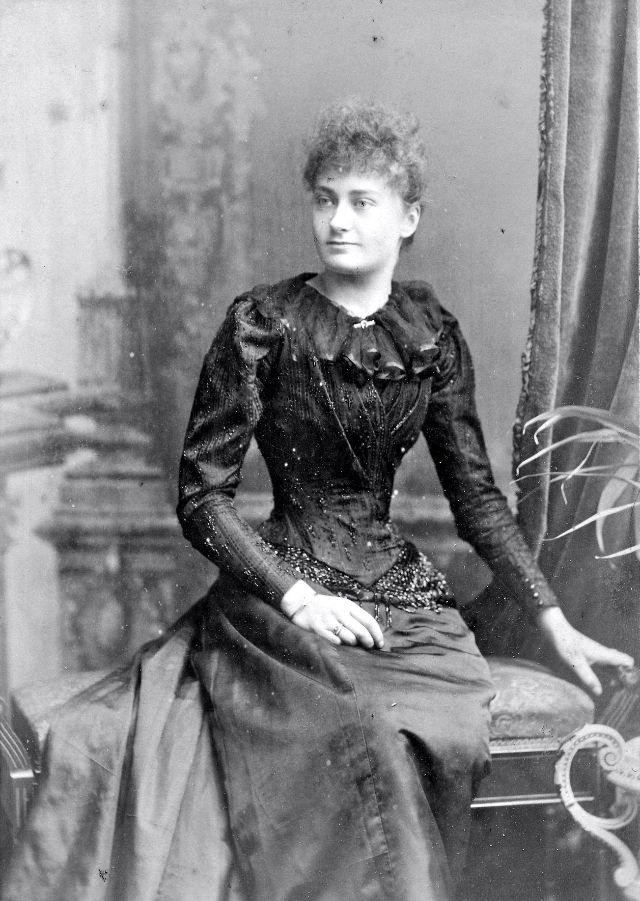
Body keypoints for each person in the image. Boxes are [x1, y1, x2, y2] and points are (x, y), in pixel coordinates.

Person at [2, 100, 633, 901]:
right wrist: (299, 597)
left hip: (405, 604)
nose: (338, 220)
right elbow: (201, 496)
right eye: (326, 199)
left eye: (363, 202)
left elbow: (476, 496)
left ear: (408, 218)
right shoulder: (262, 325)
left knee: (430, 726)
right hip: (280, 600)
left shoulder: (431, 333)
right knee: (356, 730)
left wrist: (554, 618)